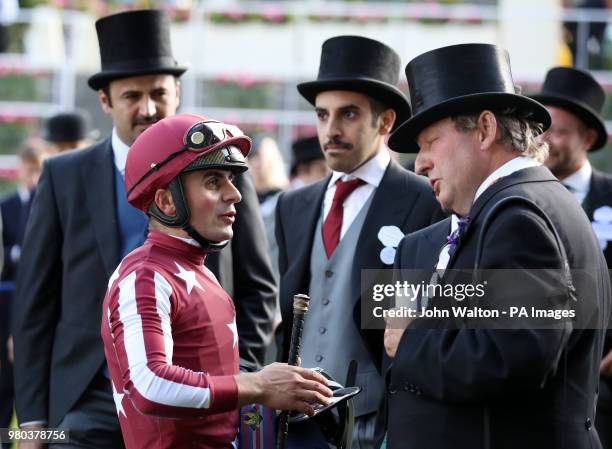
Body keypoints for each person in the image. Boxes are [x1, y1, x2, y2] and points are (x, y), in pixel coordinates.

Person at [12, 9, 275, 448]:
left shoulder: (224, 174)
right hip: (85, 400)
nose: (148, 108)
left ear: (178, 91)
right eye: (132, 95)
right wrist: (37, 422)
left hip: (194, 403)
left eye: (159, 93)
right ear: (105, 100)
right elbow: (36, 303)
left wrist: (236, 382)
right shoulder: (63, 175)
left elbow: (257, 288)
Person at [381, 43, 611, 449]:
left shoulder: (519, 217)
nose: (419, 163)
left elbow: (511, 358)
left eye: (430, 141)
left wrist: (409, 341)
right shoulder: (519, 206)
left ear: (485, 129)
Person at [102, 113, 331, 449]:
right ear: (166, 201)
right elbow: (149, 384)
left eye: (230, 178)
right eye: (213, 182)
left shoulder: (199, 270)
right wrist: (259, 385)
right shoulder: (144, 275)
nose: (234, 194)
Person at [275, 35, 442, 449]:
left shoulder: (426, 199)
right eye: (322, 115)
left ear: (385, 122)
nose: (331, 130)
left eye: (348, 114)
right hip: (295, 416)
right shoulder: (292, 206)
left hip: (378, 417)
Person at [532, 65, 612, 448]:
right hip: (535, 381)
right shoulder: (521, 200)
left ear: (589, 137)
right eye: (541, 130)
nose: (546, 141)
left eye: (559, 131)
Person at [0, 145, 41, 448]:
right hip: (6, 303)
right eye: (31, 168)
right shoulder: (7, 206)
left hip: (33, 302)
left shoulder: (48, 202)